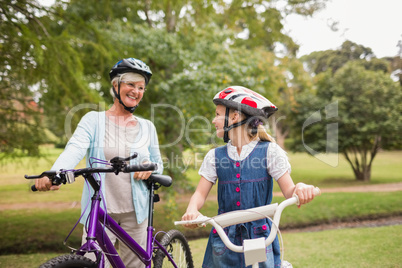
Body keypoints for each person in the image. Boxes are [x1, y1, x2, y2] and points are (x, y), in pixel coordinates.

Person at [35, 58, 163, 267]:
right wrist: (53, 173)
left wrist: (149, 168)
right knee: (90, 261)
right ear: (116, 85)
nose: (136, 91)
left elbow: (158, 163)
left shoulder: (147, 127)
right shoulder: (93, 120)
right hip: (100, 211)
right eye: (131, 84)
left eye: (141, 87)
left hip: (136, 214)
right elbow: (74, 148)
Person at [181, 86, 317, 268]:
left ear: (235, 116)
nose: (214, 120)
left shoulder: (270, 152)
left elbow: (290, 192)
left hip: (259, 238)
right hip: (224, 238)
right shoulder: (214, 157)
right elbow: (199, 194)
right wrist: (192, 210)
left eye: (218, 114)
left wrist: (300, 188)